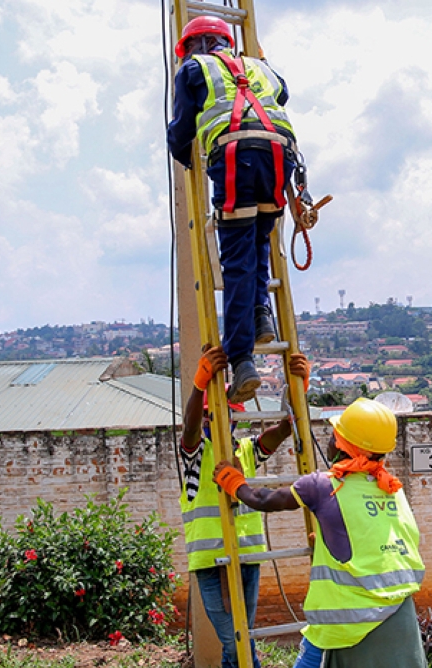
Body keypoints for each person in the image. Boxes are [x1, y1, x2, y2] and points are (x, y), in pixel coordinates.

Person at [213, 398, 432, 668]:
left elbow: (265, 501)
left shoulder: (322, 486)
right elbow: (376, 542)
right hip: (399, 615)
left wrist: (235, 484)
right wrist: (329, 545)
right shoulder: (392, 490)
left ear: (344, 444)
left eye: (334, 434)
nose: (328, 440)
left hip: (344, 623)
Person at [167, 15, 298, 403]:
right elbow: (281, 96)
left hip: (235, 157)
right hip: (279, 155)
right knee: (259, 234)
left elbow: (180, 132)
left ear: (194, 46)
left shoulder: (193, 68)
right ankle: (260, 313)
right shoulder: (260, 67)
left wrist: (186, 157)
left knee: (237, 257)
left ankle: (241, 359)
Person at [180, 345, 309, 668]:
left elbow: (278, 435)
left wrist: (298, 396)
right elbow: (189, 428)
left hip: (248, 560)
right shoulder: (196, 455)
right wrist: (198, 386)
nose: (224, 424)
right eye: (215, 417)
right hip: (212, 563)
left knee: (236, 642)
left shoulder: (244, 453)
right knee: (236, 640)